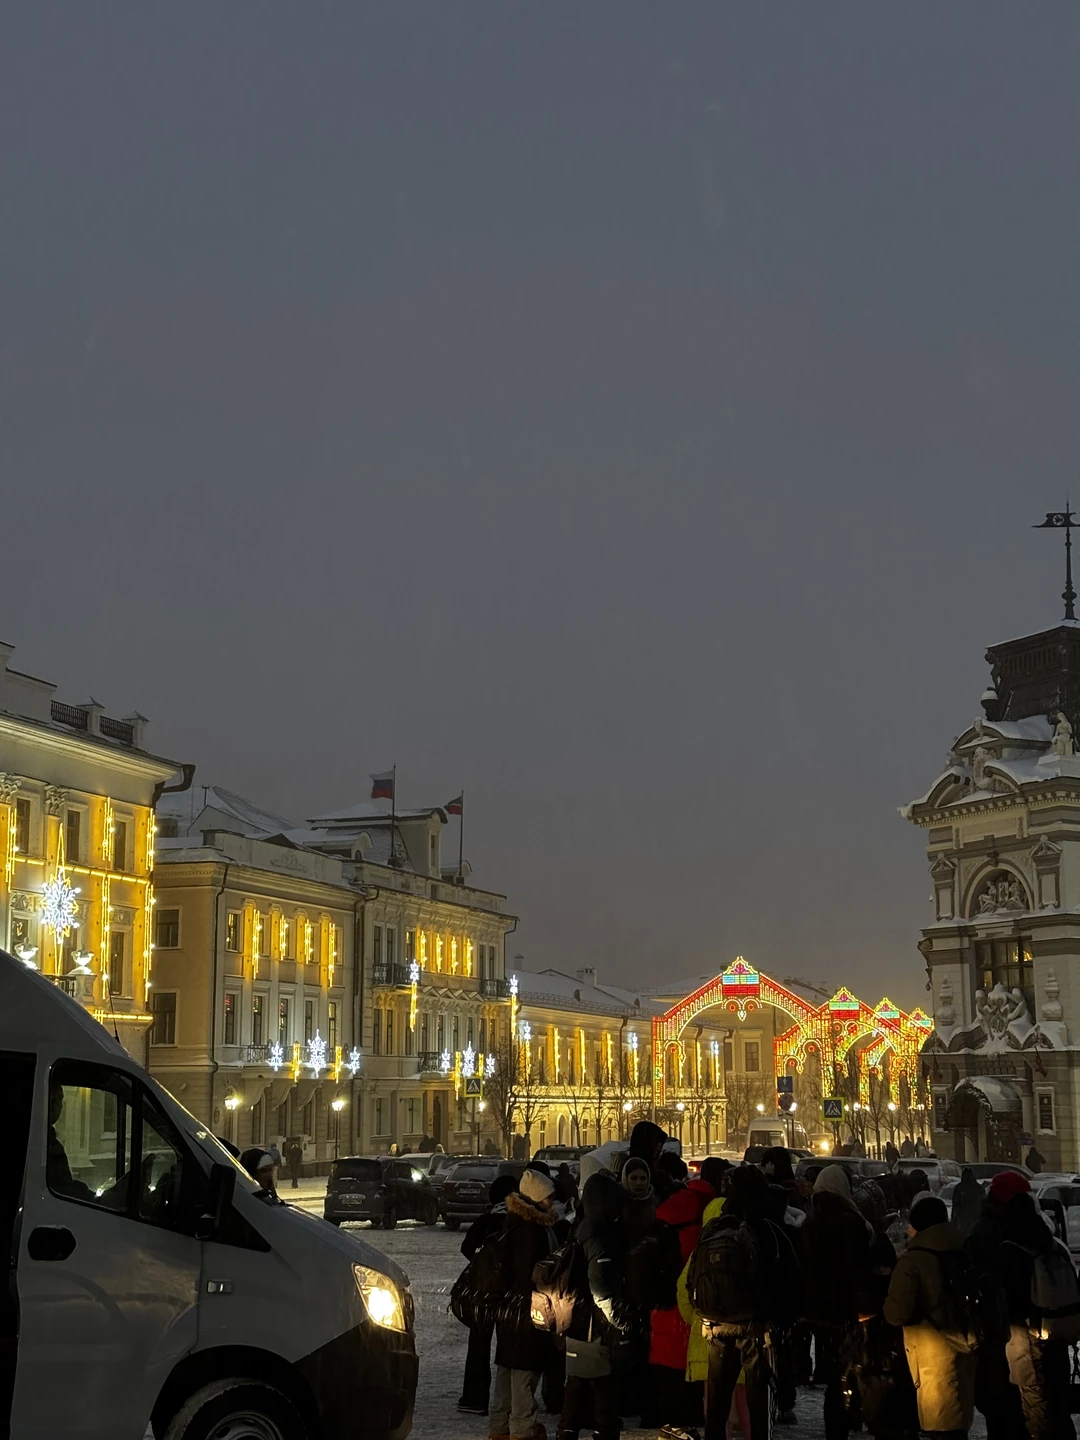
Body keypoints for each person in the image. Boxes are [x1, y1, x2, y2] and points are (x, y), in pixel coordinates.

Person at [693, 1163, 801, 1440]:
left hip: (716, 1325)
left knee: (717, 1403)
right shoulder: (768, 1230)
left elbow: (693, 1276)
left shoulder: (715, 1227)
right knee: (757, 1404)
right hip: (756, 1328)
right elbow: (789, 1280)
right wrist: (782, 1323)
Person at [884, 1195, 979, 1440]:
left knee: (941, 1425)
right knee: (957, 1421)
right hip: (967, 1342)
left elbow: (897, 1313)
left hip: (931, 1353)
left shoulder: (913, 1261)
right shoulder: (963, 1250)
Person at [996, 1183, 1077, 1439]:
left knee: (1037, 1408)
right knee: (1060, 1406)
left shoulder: (1010, 1250)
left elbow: (1007, 1299)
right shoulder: (1054, 1245)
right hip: (1057, 1333)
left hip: (1025, 1340)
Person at [801, 1164, 875, 1439]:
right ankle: (846, 1419)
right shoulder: (851, 1222)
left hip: (817, 1308)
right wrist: (865, 1306)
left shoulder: (810, 1221)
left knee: (835, 1370)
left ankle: (839, 1420)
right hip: (846, 1308)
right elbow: (857, 1269)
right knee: (849, 1368)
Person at [557, 1170, 628, 1440]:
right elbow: (601, 1286)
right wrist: (620, 1321)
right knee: (604, 1394)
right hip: (595, 1325)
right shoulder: (599, 1236)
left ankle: (567, 1433)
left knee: (575, 1387)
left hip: (576, 1320)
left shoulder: (580, 1227)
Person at [490, 1168, 558, 1440]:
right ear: (536, 1198)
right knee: (524, 1373)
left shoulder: (512, 1222)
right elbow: (530, 1273)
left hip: (507, 1310)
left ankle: (500, 1428)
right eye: (548, 1197)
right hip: (527, 1310)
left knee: (507, 1372)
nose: (552, 1201)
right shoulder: (534, 1230)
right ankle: (523, 1429)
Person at [648, 1171, 714, 1436]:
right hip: (683, 1313)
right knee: (682, 1370)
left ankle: (668, 1421)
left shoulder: (662, 1222)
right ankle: (681, 1422)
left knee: (665, 1367)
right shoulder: (696, 1233)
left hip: (659, 1308)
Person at [965, 1171, 1029, 1440]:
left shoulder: (994, 1228)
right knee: (1003, 1400)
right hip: (999, 1328)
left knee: (1005, 1401)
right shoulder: (994, 1231)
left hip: (1005, 1327)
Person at [457, 1174, 520, 1416]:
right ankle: (508, 1399)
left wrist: (481, 1265)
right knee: (509, 1346)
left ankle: (474, 1397)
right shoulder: (517, 1222)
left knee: (478, 1345)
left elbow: (465, 1247)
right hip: (511, 1294)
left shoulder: (486, 1220)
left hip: (484, 1292)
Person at [620, 1157, 656, 1243]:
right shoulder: (616, 1201)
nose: (639, 1183)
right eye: (633, 1178)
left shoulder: (655, 1202)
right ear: (626, 1178)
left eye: (643, 1178)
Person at [950, 1169, 984, 1239]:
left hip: (967, 1217)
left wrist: (954, 1218)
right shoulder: (979, 1188)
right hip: (971, 1217)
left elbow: (955, 1205)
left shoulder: (959, 1188)